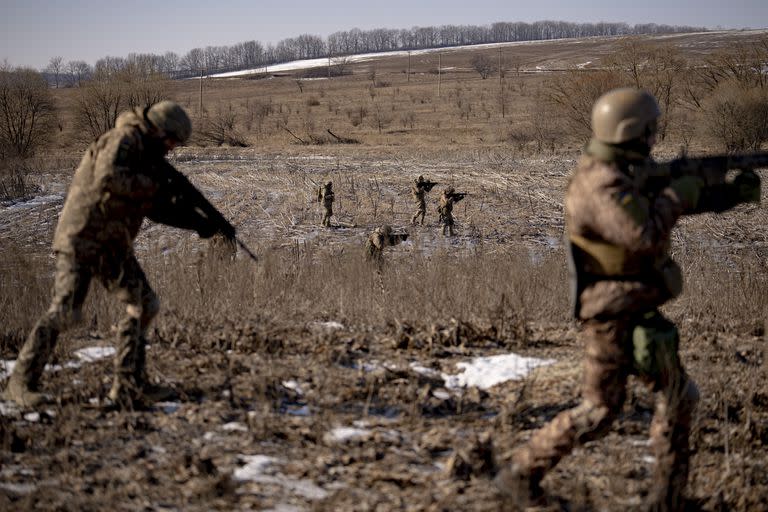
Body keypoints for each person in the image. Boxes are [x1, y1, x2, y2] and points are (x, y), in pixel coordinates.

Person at [493, 88, 760, 510]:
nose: (655, 138)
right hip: (610, 315)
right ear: (630, 131)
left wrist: (727, 195)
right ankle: (520, 475)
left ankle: (668, 498)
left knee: (677, 398)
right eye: (650, 131)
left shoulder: (625, 171)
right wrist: (679, 195)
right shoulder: (599, 184)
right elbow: (644, 235)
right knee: (600, 410)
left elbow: (660, 201)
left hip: (636, 306)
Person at [1, 100, 237, 409]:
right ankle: (19, 383)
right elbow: (109, 179)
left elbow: (155, 208)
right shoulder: (121, 140)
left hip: (113, 244)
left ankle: (130, 385)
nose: (171, 149)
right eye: (170, 141)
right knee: (65, 310)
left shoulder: (146, 155)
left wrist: (199, 223)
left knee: (145, 304)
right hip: (82, 239)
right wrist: (155, 185)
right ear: (155, 129)